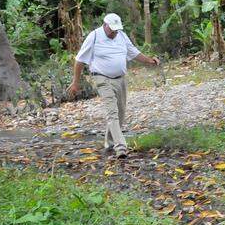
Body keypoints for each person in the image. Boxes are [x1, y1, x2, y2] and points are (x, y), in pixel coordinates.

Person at [67, 13, 160, 158]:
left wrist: (149, 60)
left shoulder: (121, 36)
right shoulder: (94, 36)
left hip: (120, 79)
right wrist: (75, 82)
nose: (114, 32)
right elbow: (79, 60)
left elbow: (133, 52)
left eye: (116, 29)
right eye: (112, 29)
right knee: (112, 113)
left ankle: (109, 143)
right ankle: (121, 147)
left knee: (121, 112)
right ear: (105, 25)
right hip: (102, 78)